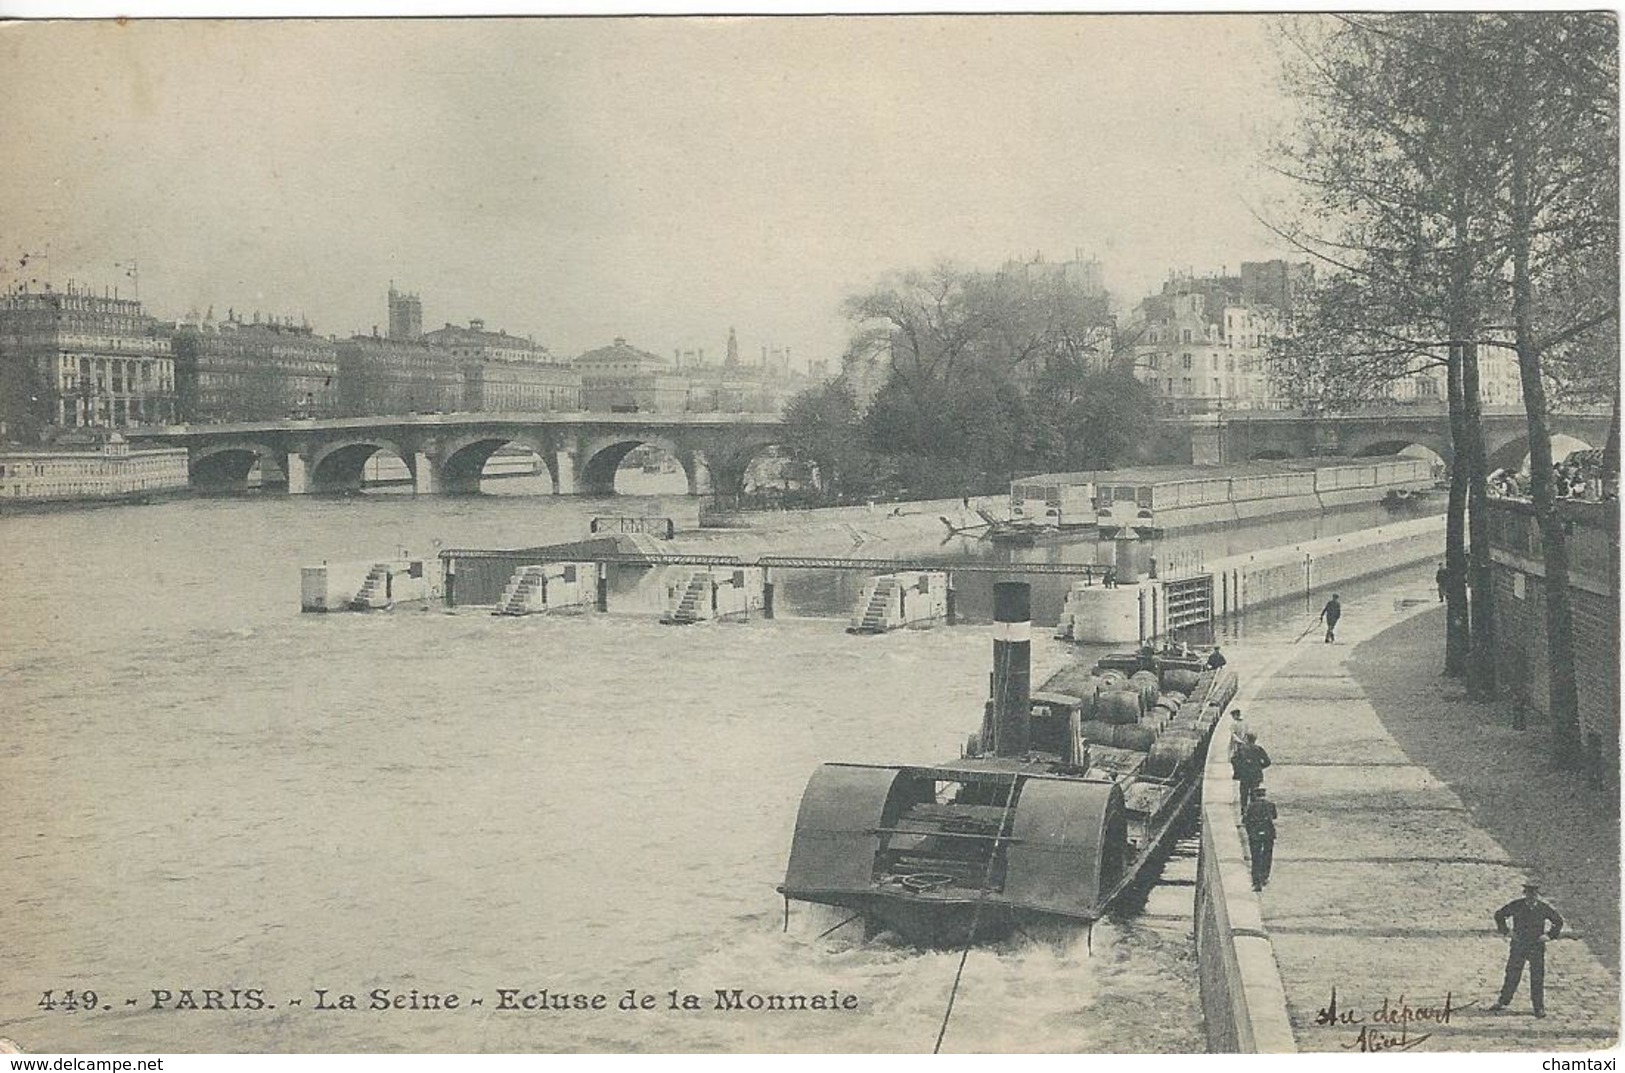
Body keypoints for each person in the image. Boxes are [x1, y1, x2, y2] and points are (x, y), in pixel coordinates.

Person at [1490, 882, 1564, 1017]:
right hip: (1519, 944)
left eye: (1534, 894)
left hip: (1536, 946)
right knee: (1512, 973)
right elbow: (1499, 915)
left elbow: (1558, 921)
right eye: (1529, 894)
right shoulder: (1517, 906)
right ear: (1525, 894)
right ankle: (1503, 1002)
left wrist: (1548, 935)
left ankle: (1538, 1007)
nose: (1531, 897)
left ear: (1538, 895)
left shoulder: (1543, 908)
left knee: (1537, 976)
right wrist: (1507, 931)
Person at [1243, 787, 1278, 891]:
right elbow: (1275, 816)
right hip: (1268, 833)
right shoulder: (1271, 805)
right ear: (1264, 795)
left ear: (1255, 795)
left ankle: (1256, 881)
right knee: (1267, 854)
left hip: (1255, 834)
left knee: (1255, 857)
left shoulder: (1250, 806)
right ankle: (1264, 876)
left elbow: (1245, 820)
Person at [1231, 731, 1271, 811]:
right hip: (1255, 774)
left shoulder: (1241, 749)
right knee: (1254, 793)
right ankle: (1253, 810)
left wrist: (1240, 768)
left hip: (1244, 774)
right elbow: (1268, 762)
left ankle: (1244, 810)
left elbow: (1233, 760)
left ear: (1247, 739)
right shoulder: (1259, 749)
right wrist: (1259, 767)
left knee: (1243, 794)